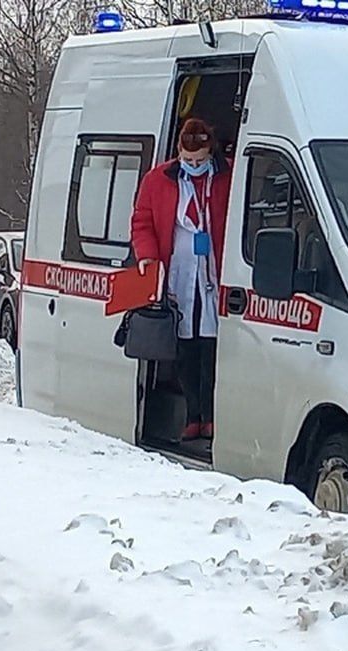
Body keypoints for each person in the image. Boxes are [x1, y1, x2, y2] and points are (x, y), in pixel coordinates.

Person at [131, 117, 232, 441]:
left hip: (216, 269)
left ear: (210, 152)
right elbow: (142, 220)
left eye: (200, 160)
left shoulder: (228, 175)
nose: (194, 165)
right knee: (186, 343)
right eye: (188, 161)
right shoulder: (158, 179)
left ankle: (213, 413)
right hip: (180, 271)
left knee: (213, 343)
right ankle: (192, 415)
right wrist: (147, 255)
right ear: (178, 153)